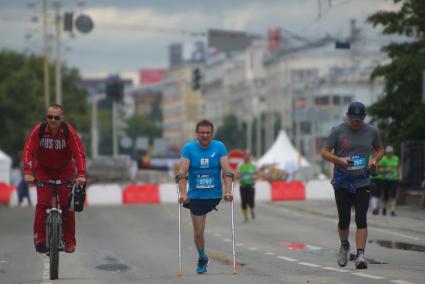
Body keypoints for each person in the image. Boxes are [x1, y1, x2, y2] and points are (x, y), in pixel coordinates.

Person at [321, 101, 384, 270]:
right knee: (344, 220)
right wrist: (338, 160)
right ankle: (344, 245)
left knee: (361, 218)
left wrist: (374, 160)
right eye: (353, 119)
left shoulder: (372, 131)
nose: (356, 123)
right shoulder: (337, 131)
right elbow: (324, 152)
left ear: (364, 117)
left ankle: (360, 255)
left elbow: (379, 149)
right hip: (343, 182)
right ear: (347, 116)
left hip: (363, 181)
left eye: (359, 119)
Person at [23, 103, 86, 254]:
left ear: (62, 119)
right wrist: (28, 171)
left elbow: (79, 153)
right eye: (50, 117)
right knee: (42, 204)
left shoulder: (68, 131)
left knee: (67, 206)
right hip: (43, 170)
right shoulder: (38, 131)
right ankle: (40, 239)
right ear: (46, 118)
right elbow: (28, 150)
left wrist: (82, 174)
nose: (53, 121)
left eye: (56, 118)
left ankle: (69, 240)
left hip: (64, 170)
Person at [177, 119, 234, 274]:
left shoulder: (219, 147)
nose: (205, 135)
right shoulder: (189, 148)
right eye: (202, 132)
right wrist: (183, 193)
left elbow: (227, 171)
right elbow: (182, 173)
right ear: (197, 134)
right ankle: (202, 257)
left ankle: (202, 257)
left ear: (211, 133)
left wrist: (228, 191)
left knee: (227, 174)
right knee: (198, 232)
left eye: (208, 132)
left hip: (214, 194)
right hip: (195, 196)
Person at [379, 145, 400, 216]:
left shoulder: (396, 158)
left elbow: (398, 167)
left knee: (393, 195)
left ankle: (392, 210)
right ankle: (384, 208)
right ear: (386, 153)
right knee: (385, 195)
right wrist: (386, 170)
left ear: (392, 152)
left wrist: (400, 175)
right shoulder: (383, 159)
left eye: (391, 152)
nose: (389, 153)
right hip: (385, 179)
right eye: (388, 152)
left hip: (394, 179)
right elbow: (379, 170)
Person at [236, 151, 257, 222]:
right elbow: (237, 175)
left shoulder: (253, 165)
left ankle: (252, 210)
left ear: (250, 157)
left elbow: (257, 174)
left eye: (248, 156)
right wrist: (240, 176)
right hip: (243, 186)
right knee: (244, 201)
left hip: (251, 186)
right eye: (245, 156)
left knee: (250, 200)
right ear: (243, 157)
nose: (247, 157)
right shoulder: (240, 165)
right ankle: (245, 217)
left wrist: (254, 177)